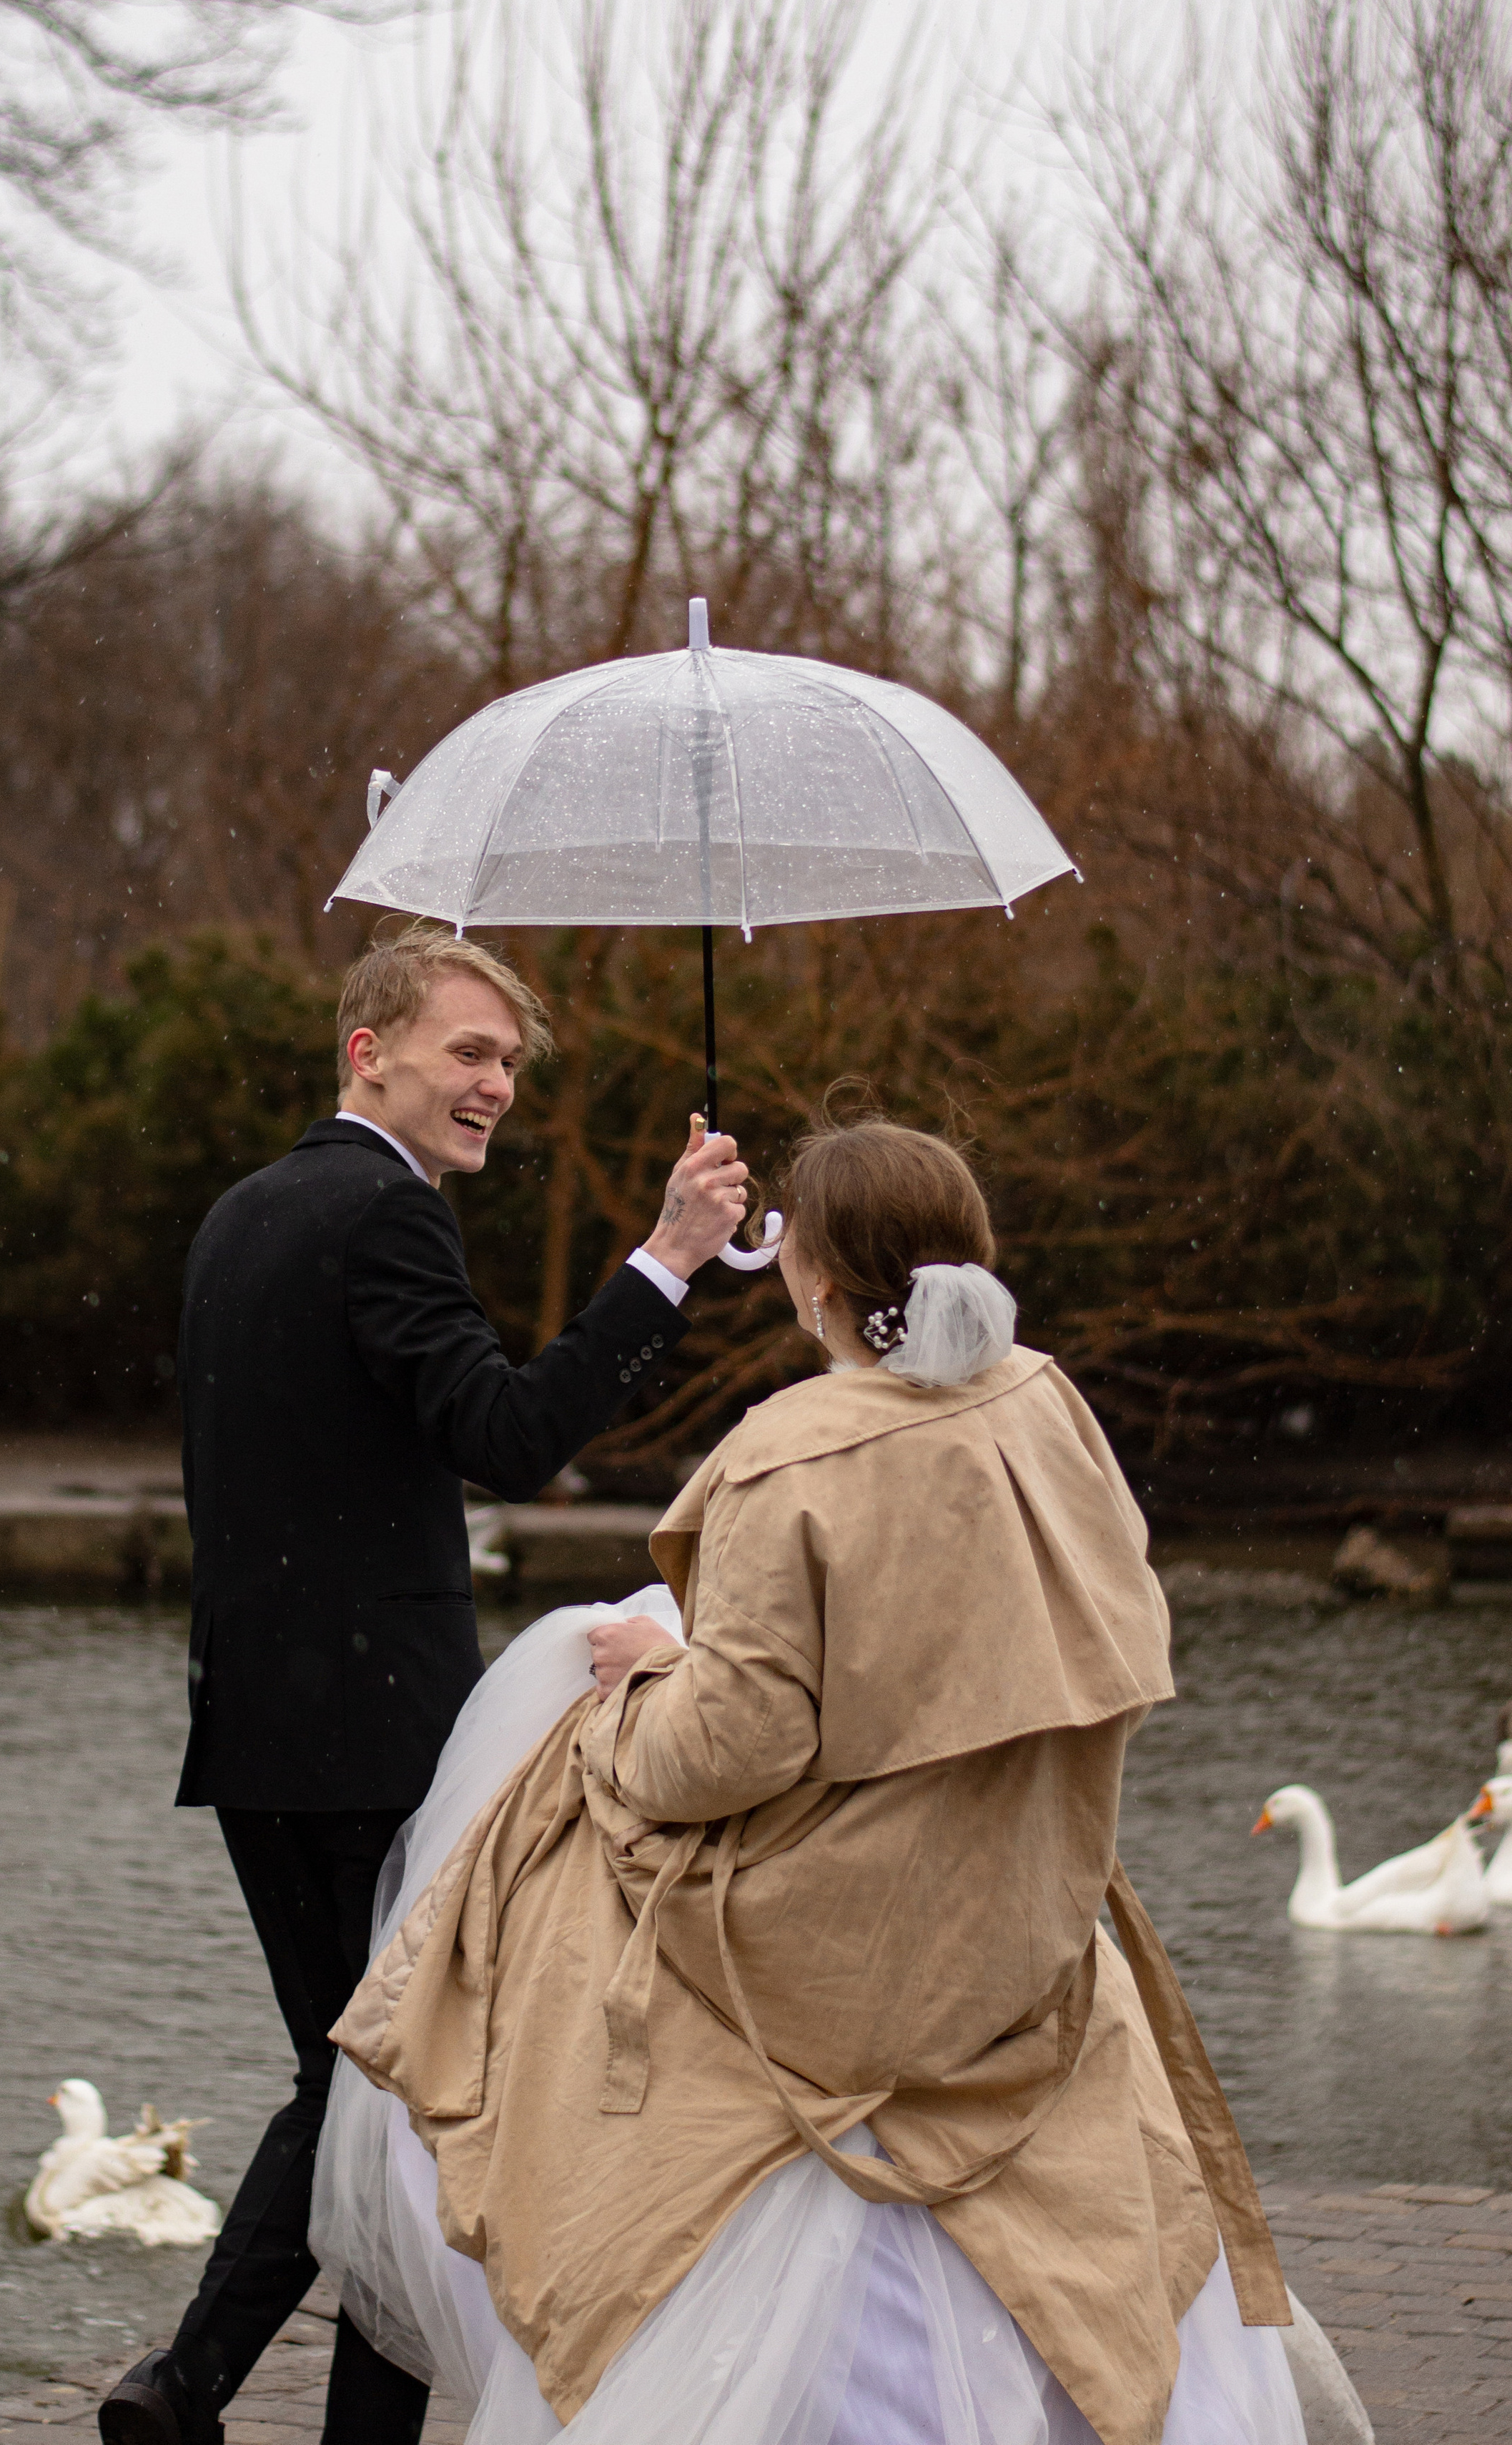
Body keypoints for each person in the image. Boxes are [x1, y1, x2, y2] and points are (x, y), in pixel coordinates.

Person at [312, 1111, 1356, 2445]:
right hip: (1017, 1914)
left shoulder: (784, 1453)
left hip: (839, 1947)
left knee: (519, 1894)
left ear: (808, 1273)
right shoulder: (1048, 1403)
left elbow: (723, 1754)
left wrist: (634, 1690)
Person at [99, 924, 751, 2445]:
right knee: (403, 2090)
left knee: (360, 2086)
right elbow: (509, 1434)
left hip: (253, 1728)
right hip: (374, 1733)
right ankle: (201, 2388)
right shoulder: (384, 1218)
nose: (497, 1087)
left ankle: (185, 2387)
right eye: (468, 1053)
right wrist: (663, 1260)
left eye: (511, 1063)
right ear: (367, 1052)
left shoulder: (241, 1216)